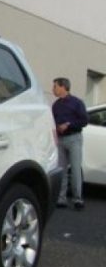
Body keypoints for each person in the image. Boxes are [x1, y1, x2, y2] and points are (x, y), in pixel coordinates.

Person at [51, 77, 88, 210]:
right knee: (62, 169)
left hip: (74, 139)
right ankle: (61, 199)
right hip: (60, 140)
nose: (53, 89)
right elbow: (53, 122)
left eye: (55, 86)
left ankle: (78, 199)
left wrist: (69, 125)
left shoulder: (77, 103)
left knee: (75, 169)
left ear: (63, 87)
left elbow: (84, 120)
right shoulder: (55, 105)